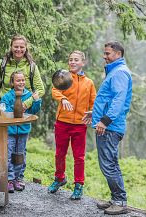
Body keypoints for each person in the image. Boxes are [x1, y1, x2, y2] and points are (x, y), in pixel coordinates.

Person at [0, 34, 45, 188]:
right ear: (11, 47)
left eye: (22, 47)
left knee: (18, 148)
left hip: (21, 112)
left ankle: (14, 178)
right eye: (16, 46)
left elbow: (40, 90)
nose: (19, 49)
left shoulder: (31, 66)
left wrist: (26, 104)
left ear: (26, 48)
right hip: (3, 108)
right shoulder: (3, 63)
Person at [84, 41, 132, 215]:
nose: (104, 57)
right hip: (109, 125)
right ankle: (116, 198)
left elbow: (118, 100)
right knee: (110, 163)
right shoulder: (115, 71)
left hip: (111, 127)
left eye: (107, 54)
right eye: (104, 53)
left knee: (108, 165)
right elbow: (108, 99)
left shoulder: (119, 73)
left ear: (118, 54)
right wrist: (94, 113)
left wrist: (104, 120)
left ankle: (120, 201)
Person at [48, 51, 96, 200]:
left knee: (79, 156)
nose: (73, 62)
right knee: (59, 153)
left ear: (83, 62)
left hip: (80, 125)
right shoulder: (63, 77)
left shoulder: (89, 83)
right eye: (70, 60)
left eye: (76, 60)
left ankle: (78, 185)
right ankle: (59, 178)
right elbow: (54, 90)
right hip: (62, 121)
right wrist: (62, 99)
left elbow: (94, 102)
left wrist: (93, 112)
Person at [0, 71, 41, 193]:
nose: (21, 82)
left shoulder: (29, 95)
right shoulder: (7, 96)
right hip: (10, 131)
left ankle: (17, 178)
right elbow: (3, 111)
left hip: (23, 129)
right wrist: (15, 108)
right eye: (18, 80)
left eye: (23, 80)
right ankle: (9, 179)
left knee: (20, 154)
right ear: (12, 82)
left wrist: (37, 101)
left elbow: (34, 110)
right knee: (9, 153)